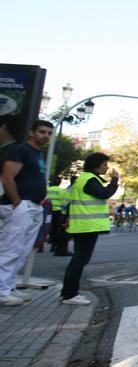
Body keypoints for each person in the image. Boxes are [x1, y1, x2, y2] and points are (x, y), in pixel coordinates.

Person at [0, 120, 53, 306]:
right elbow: (7, 178)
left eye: (49, 133)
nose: (45, 136)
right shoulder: (21, 150)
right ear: (32, 133)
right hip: (21, 205)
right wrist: (17, 202)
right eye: (42, 132)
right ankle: (1, 291)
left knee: (22, 251)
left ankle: (8, 287)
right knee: (11, 249)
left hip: (33, 206)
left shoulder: (36, 154)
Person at [61, 152, 119, 305]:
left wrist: (67, 217)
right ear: (96, 165)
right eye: (104, 164)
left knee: (79, 259)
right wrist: (115, 180)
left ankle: (68, 292)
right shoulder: (90, 180)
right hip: (87, 226)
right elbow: (104, 193)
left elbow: (69, 199)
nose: (107, 167)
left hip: (83, 225)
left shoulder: (83, 179)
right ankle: (70, 294)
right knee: (80, 260)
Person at [47, 176, 72, 256]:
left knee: (47, 227)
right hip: (58, 212)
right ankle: (54, 246)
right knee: (57, 229)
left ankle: (40, 247)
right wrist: (64, 213)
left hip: (48, 212)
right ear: (59, 183)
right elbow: (65, 203)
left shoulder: (47, 190)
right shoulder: (62, 191)